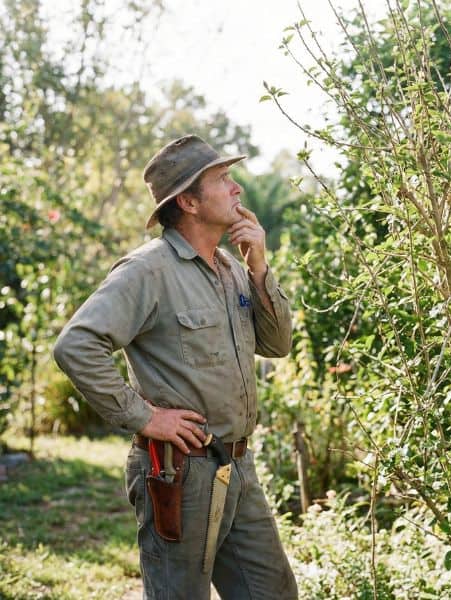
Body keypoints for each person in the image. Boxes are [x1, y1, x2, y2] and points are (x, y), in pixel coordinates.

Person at [53, 134, 298, 599]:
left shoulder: (230, 268)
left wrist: (260, 268)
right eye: (222, 179)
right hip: (179, 474)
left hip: (239, 467)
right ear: (187, 201)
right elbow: (76, 345)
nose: (236, 188)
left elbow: (277, 344)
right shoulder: (147, 271)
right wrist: (147, 418)